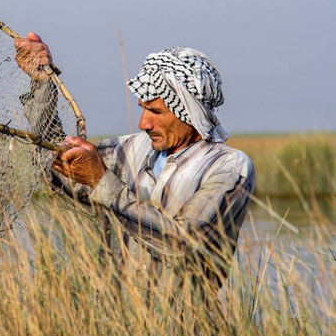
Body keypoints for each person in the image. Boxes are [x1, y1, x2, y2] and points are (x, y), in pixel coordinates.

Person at [14, 32, 255, 300]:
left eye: (156, 112)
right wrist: (42, 84)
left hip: (184, 330)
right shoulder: (129, 148)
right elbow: (58, 164)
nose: (143, 123)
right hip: (118, 324)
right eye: (142, 108)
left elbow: (182, 245)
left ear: (191, 112)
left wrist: (101, 182)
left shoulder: (228, 167)